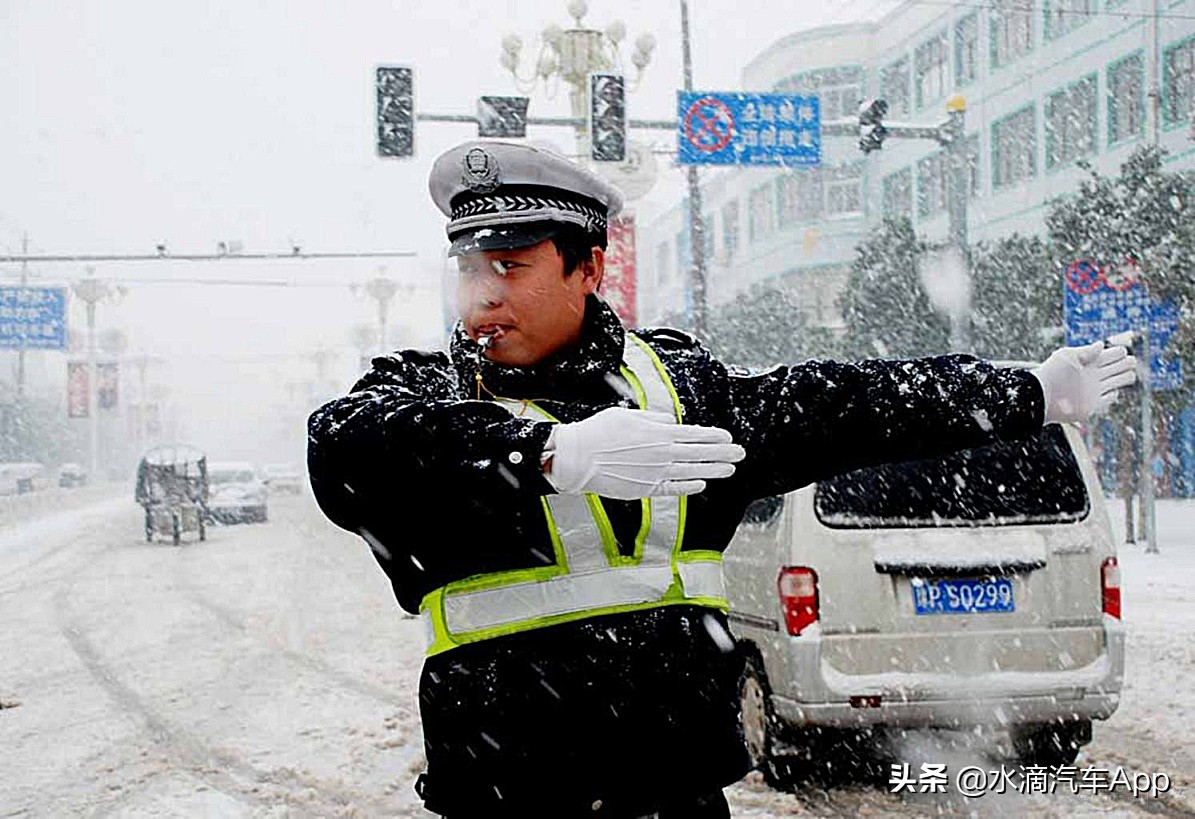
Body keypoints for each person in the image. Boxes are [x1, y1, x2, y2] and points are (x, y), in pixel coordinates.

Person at [307, 139, 1136, 818]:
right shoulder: (422, 394)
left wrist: (1026, 391)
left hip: (675, 795)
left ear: (588, 268)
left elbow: (842, 403)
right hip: (502, 795)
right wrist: (545, 454)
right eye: (469, 268)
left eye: (511, 265)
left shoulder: (679, 390)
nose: (482, 295)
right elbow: (346, 445)